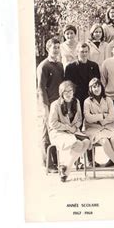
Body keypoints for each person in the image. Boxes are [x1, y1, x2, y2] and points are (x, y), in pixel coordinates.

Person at [64, 42, 101, 166]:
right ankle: (76, 161)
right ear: (77, 52)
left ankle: (91, 160)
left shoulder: (94, 66)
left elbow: (97, 85)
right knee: (77, 129)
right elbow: (68, 86)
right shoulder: (70, 67)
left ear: (88, 52)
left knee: (91, 128)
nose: (84, 54)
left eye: (86, 51)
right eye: (81, 51)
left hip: (90, 101)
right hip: (76, 102)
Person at [83, 78, 114, 178]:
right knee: (104, 141)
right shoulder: (87, 102)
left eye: (98, 86)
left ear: (101, 87)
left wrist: (101, 119)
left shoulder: (108, 100)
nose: (96, 89)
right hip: (94, 129)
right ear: (90, 89)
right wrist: (103, 115)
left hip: (109, 127)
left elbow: (113, 116)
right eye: (94, 87)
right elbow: (88, 118)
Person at [48, 81, 91, 182]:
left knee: (87, 142)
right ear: (61, 93)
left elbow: (80, 119)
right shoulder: (55, 104)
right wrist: (67, 127)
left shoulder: (76, 102)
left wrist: (75, 127)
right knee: (78, 144)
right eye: (65, 92)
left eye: (70, 91)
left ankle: (65, 167)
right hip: (58, 132)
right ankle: (66, 171)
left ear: (73, 91)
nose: (68, 94)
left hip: (73, 131)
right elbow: (52, 123)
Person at [36, 37, 64, 173]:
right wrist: (45, 107)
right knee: (46, 133)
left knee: (56, 132)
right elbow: (41, 89)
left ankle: (57, 162)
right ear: (48, 49)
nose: (56, 50)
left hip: (58, 104)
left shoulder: (59, 65)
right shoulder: (43, 66)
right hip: (48, 104)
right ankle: (48, 164)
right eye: (54, 47)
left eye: (58, 47)